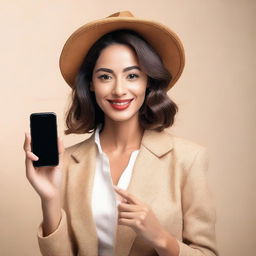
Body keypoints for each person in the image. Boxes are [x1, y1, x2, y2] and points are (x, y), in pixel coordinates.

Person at [24, 11, 218, 256]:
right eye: (105, 76)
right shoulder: (66, 165)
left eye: (132, 75)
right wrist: (49, 199)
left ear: (148, 81)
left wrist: (160, 237)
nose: (118, 89)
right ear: (91, 84)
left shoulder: (188, 159)